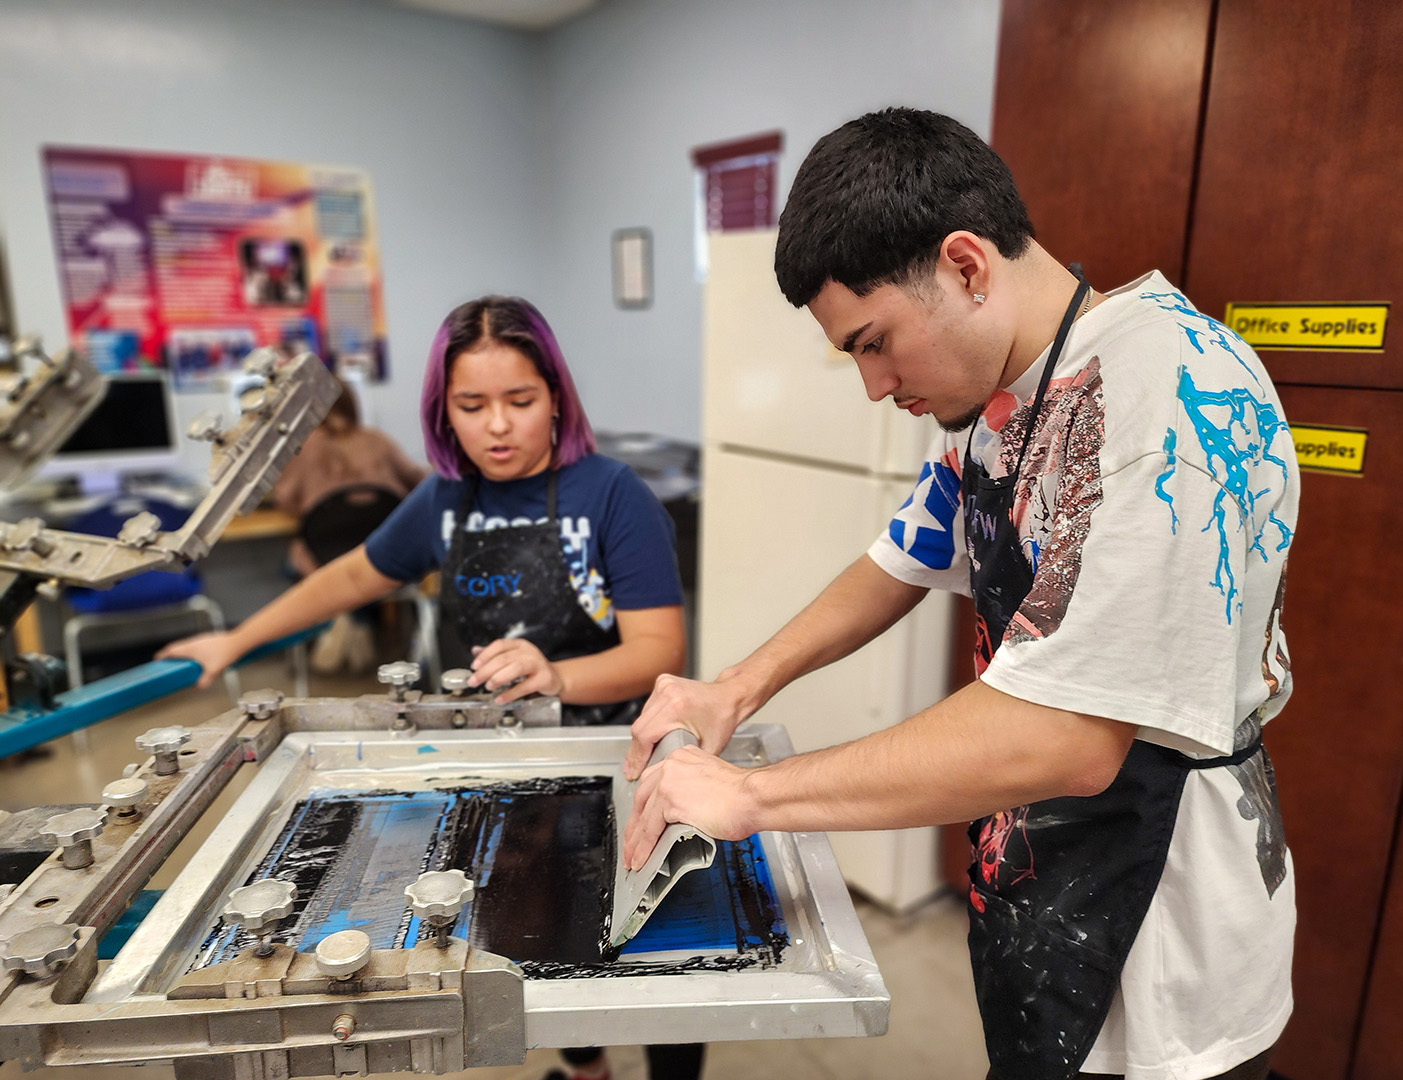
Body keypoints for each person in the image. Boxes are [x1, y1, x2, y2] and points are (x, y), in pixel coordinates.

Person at [621, 108, 1297, 1080]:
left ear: (968, 266)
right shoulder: (1006, 402)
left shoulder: (1162, 398)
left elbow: (1064, 738)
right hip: (1044, 882)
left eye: (874, 341)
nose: (869, 384)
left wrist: (753, 796)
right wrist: (734, 687)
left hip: (1165, 960)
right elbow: (903, 556)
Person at [161, 296, 700, 1080]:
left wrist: (556, 674)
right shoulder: (447, 502)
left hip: (622, 768)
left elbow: (659, 648)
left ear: (557, 396)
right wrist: (238, 638)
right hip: (508, 778)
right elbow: (351, 575)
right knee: (539, 938)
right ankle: (589, 1072)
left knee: (664, 963)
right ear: (443, 412)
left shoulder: (612, 495)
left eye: (520, 401)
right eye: (472, 405)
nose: (498, 427)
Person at [268, 381, 428, 673]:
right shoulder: (378, 440)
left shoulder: (303, 448)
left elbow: (286, 499)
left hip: (324, 557)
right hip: (386, 555)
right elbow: (419, 481)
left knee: (290, 565)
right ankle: (360, 625)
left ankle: (333, 623)